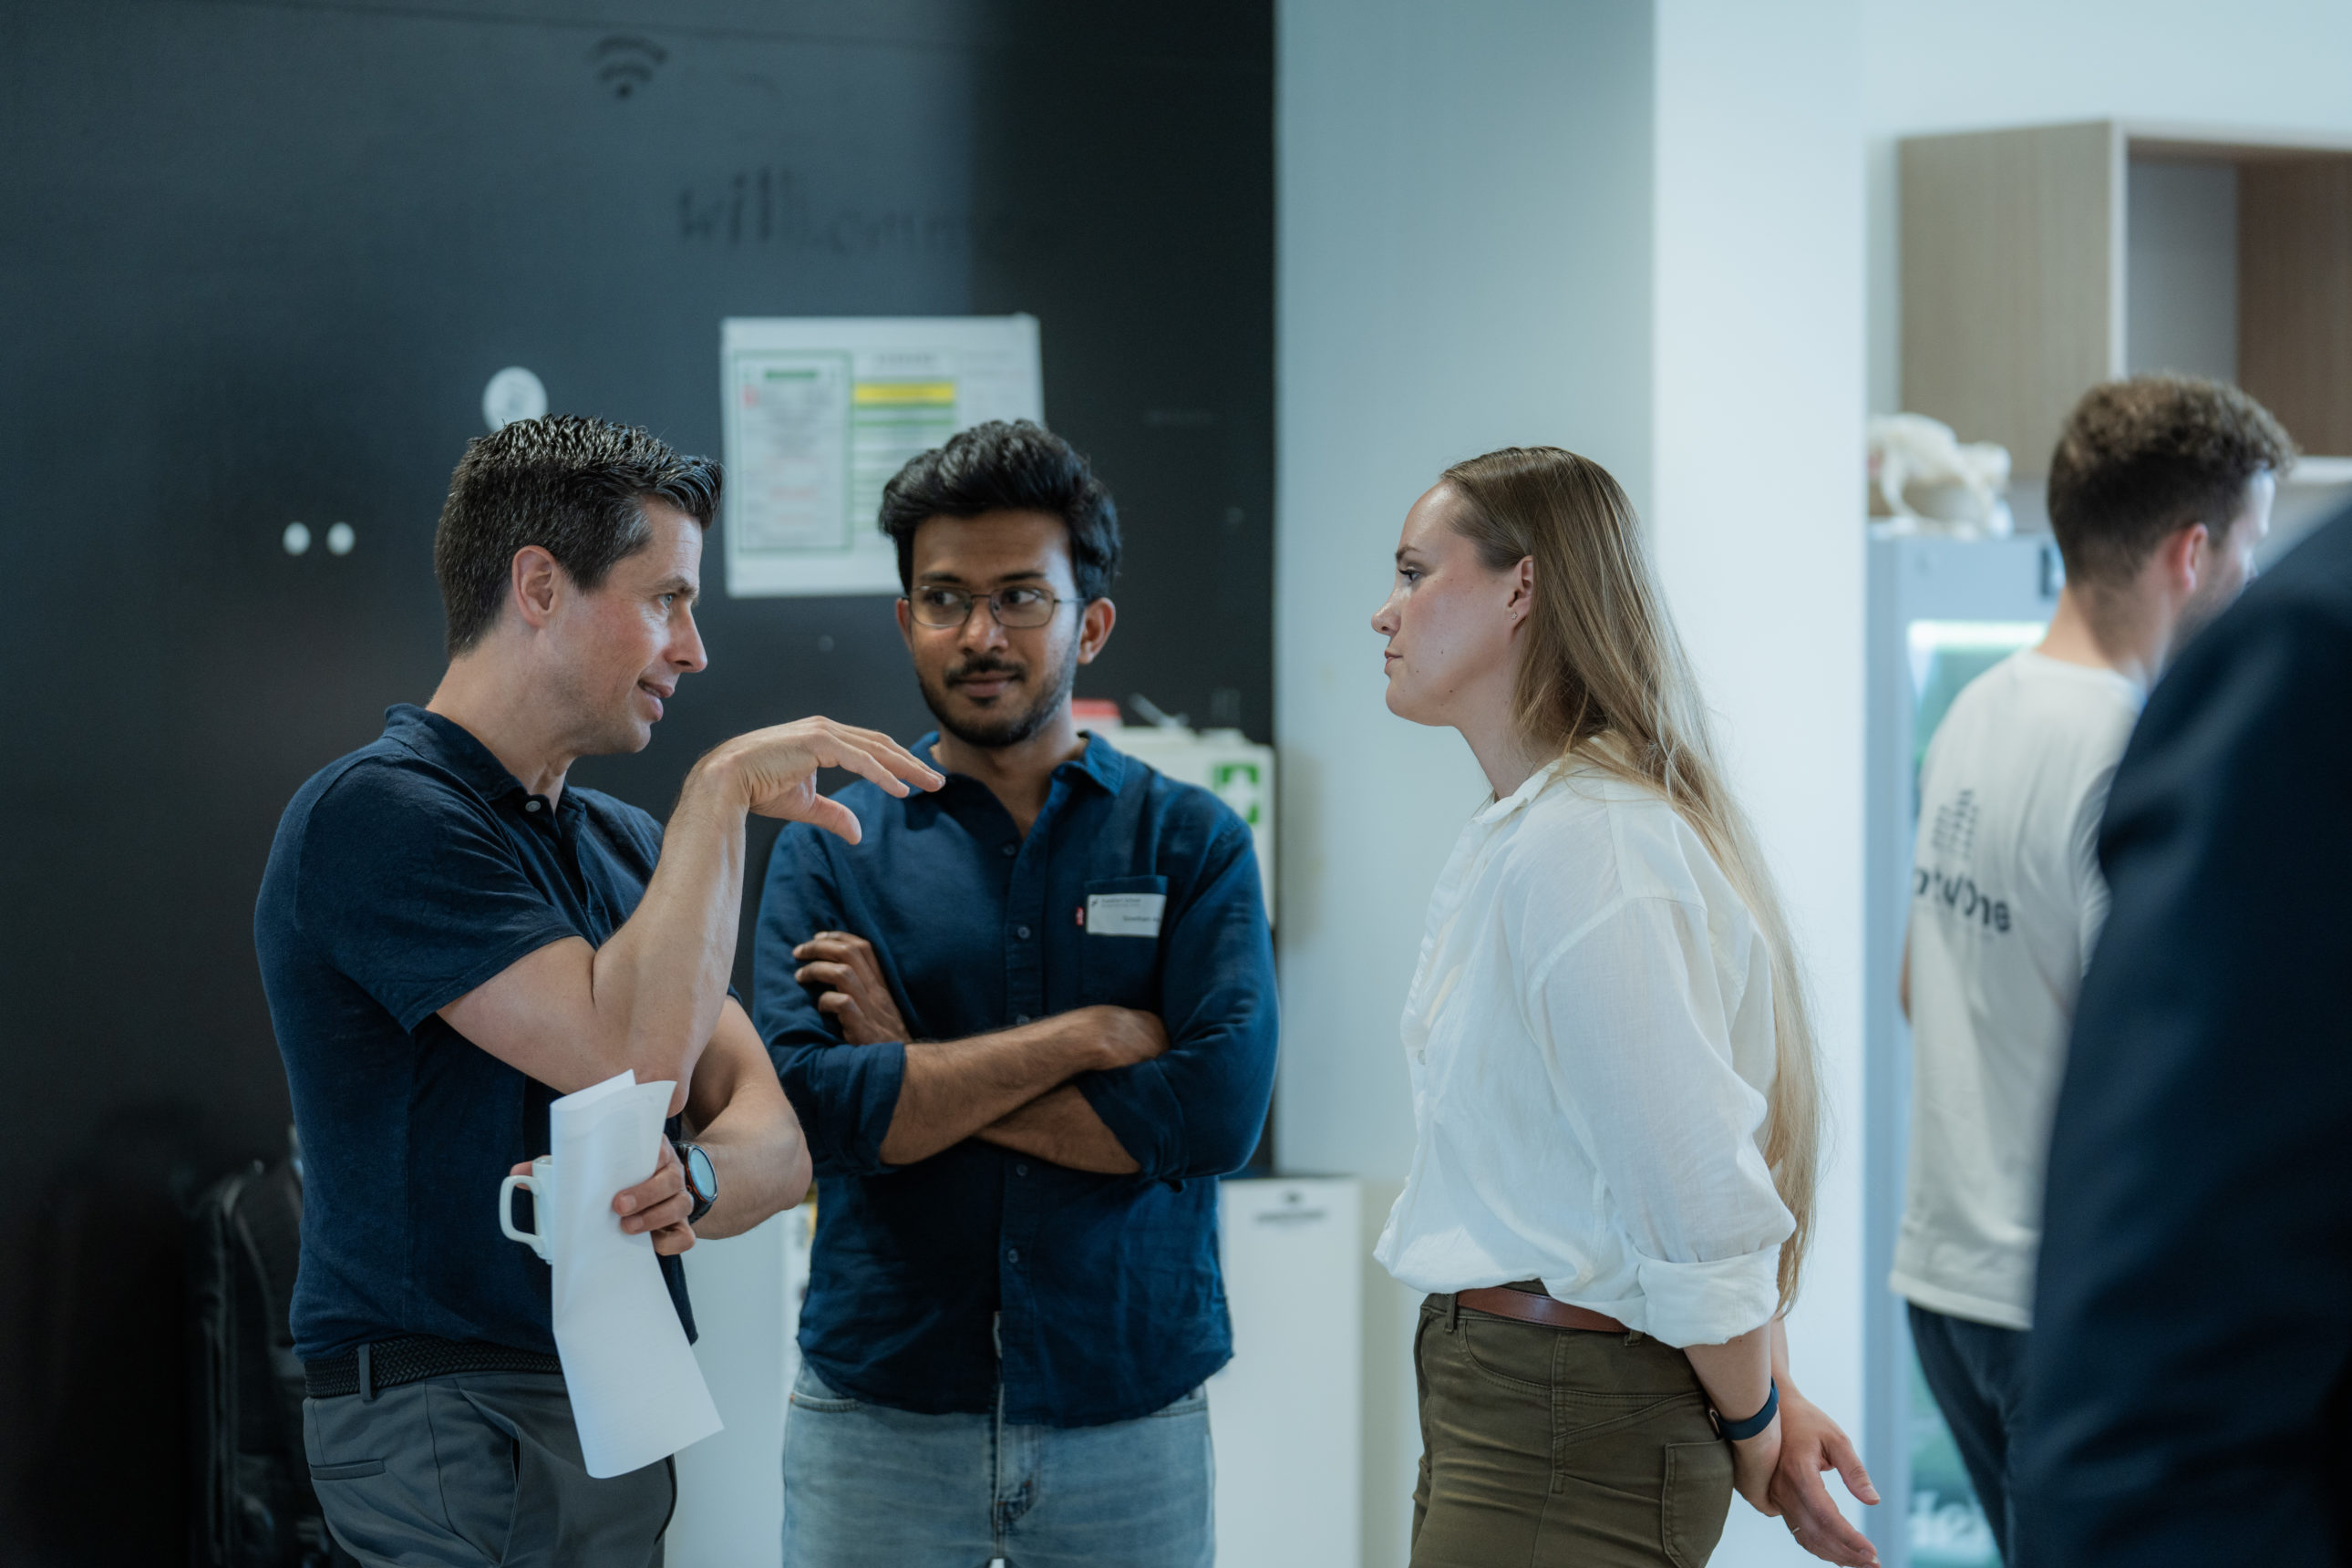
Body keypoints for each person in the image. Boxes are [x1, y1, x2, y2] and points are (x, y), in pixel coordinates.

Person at [255, 415, 941, 1566]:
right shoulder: (376, 814)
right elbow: (633, 1055)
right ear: (538, 586)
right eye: (667, 599)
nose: (693, 649)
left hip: (615, 1397)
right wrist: (720, 789)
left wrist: (696, 1179)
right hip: (445, 1401)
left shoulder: (624, 846)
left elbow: (774, 1138)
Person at [752, 419, 1277, 1568]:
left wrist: (911, 1059)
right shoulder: (832, 840)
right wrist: (1086, 1037)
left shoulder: (1192, 842)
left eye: (1021, 598)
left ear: (1091, 621)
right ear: (907, 620)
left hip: (1128, 1411)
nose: (981, 634)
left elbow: (1212, 1115)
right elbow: (816, 1110)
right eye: (946, 599)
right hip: (881, 1411)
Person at [1369, 445, 1878, 1568]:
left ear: (1521, 588)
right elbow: (1676, 1168)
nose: (1384, 612)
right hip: (1518, 1402)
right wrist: (1769, 1389)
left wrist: (1758, 1422)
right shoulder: (1547, 826)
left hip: (1561, 1419)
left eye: (1413, 573)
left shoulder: (1588, 841)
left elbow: (1694, 1196)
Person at [1891, 374, 2289, 1561]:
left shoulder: (1976, 709)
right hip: (2060, 1305)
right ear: (2191, 553)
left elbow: (1917, 987)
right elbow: (2158, 1073)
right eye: (2251, 548)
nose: (2254, 581)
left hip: (1945, 1290)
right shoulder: (2134, 755)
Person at [2013, 496, 2352, 1565]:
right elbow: (2147, 1443)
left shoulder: (1989, 710)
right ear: (2195, 550)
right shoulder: (2311, 666)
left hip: (1979, 1256)